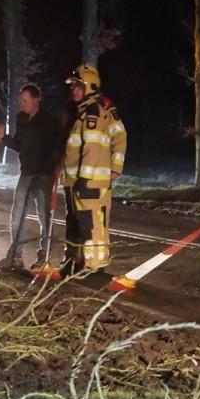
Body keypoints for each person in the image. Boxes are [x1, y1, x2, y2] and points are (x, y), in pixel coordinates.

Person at [60, 65, 127, 275]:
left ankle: (93, 267)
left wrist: (89, 177)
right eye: (72, 87)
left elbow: (93, 146)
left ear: (89, 86)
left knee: (91, 226)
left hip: (88, 182)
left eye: (77, 86)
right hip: (74, 182)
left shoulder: (93, 111)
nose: (73, 91)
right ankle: (74, 261)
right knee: (76, 224)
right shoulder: (80, 111)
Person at [0, 84, 61, 271]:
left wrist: (49, 171)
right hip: (26, 173)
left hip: (44, 175)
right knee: (18, 215)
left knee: (44, 216)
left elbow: (55, 149)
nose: (21, 104)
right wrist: (3, 138)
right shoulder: (21, 119)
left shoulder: (48, 121)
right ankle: (15, 256)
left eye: (25, 100)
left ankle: (43, 256)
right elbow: (19, 144)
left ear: (36, 99)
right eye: (20, 100)